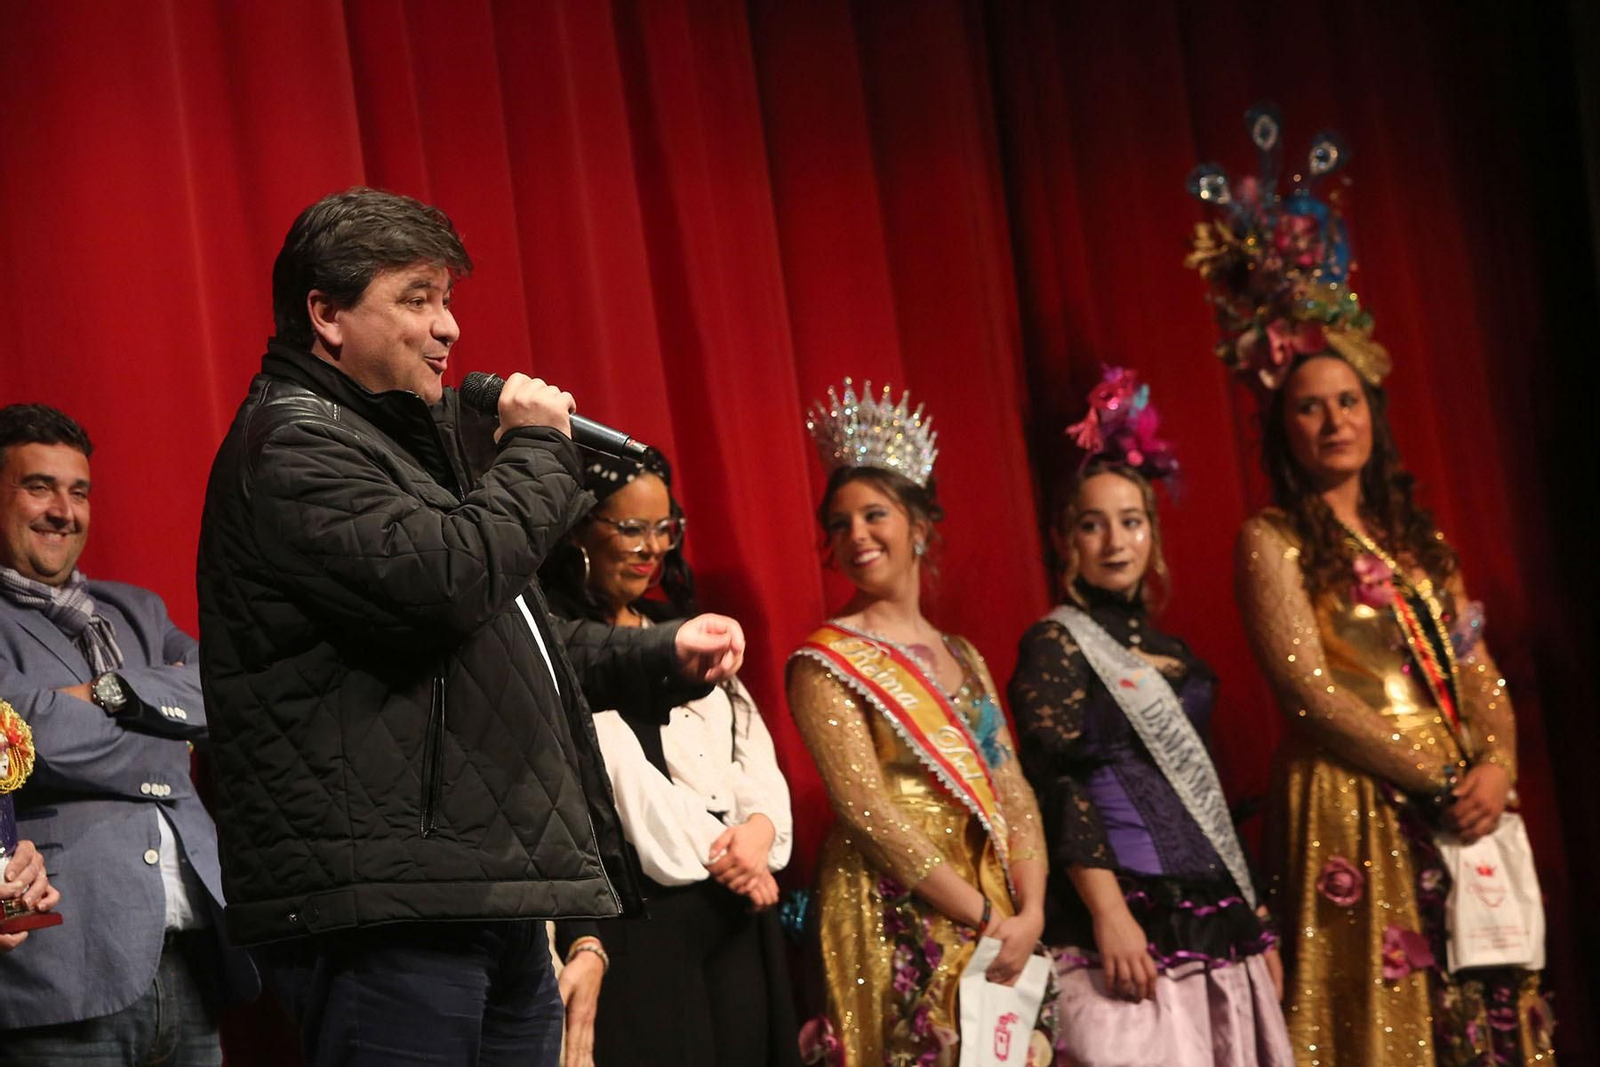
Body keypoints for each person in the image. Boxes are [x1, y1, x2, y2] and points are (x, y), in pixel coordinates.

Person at [195, 187, 748, 1067]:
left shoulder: (397, 448)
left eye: (447, 298)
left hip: (475, 892)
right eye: (417, 298)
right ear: (325, 313)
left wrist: (660, 652)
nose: (448, 327)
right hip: (390, 908)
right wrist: (535, 449)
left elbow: (507, 643)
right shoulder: (294, 446)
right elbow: (447, 583)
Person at [1187, 113, 1555, 1065]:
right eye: (1308, 406)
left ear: (1372, 415)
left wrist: (1498, 769)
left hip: (1462, 794)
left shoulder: (1419, 542)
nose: (1332, 418)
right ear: (1286, 430)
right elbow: (1307, 687)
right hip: (1356, 798)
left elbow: (1480, 673)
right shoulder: (1268, 539)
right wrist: (1436, 777)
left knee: (1480, 1015)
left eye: (1346, 400)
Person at [1008, 368, 1293, 1066]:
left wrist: (1254, 921)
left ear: (1151, 533)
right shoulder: (1056, 641)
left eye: (1130, 521)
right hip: (1125, 910)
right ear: (1064, 539)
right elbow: (1060, 783)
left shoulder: (1175, 653)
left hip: (1214, 913)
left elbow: (1205, 794)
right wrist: (1108, 911)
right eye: (1092, 523)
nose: (1114, 540)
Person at [787, 381, 1051, 1067]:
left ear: (920, 523)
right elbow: (866, 809)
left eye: (875, 514)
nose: (857, 536)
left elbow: (1011, 786)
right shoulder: (826, 661)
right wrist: (987, 916)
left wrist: (1031, 911)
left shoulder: (966, 655)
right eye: (839, 524)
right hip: (892, 901)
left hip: (991, 893)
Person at [0, 402, 257, 1064]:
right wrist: (162, 731)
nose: (64, 509)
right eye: (39, 486)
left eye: (78, 491)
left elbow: (226, 691)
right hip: (65, 971)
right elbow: (21, 734)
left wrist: (107, 694)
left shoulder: (137, 609)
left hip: (192, 962)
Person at [543, 450, 799, 1067]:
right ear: (578, 528)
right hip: (647, 921)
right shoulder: (560, 650)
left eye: (663, 528)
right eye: (630, 528)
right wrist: (728, 853)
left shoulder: (680, 633)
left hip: (738, 908)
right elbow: (621, 787)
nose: (650, 547)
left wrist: (761, 832)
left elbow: (751, 754)